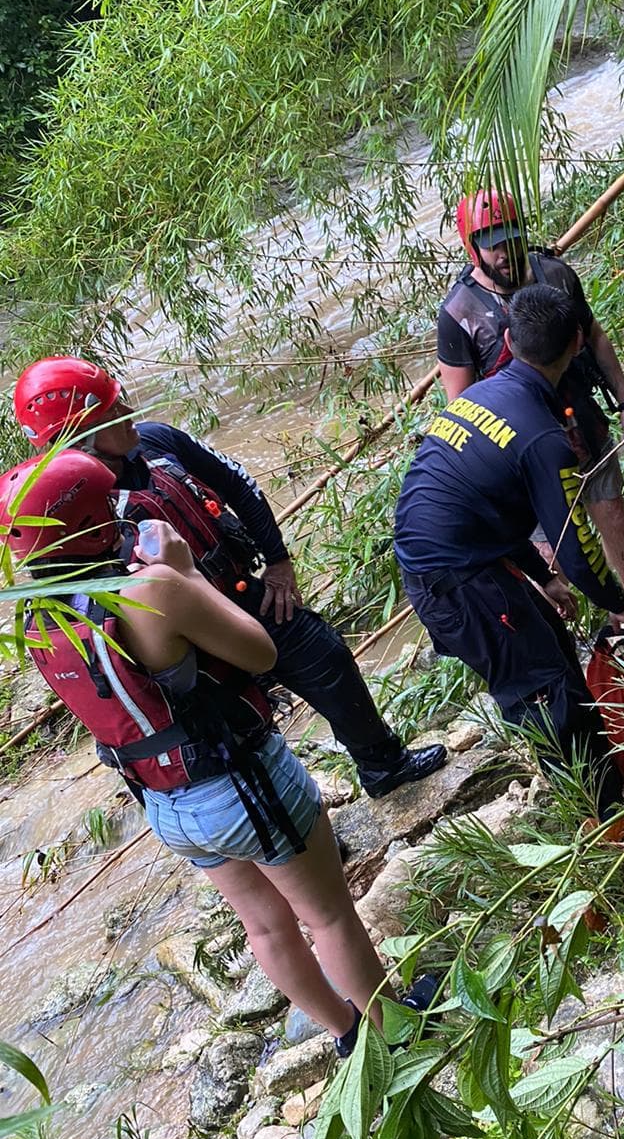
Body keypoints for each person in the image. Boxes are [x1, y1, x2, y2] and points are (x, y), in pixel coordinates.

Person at [0, 452, 430, 1056]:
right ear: (97, 522)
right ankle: (397, 1030)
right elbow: (259, 652)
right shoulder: (150, 588)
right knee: (327, 915)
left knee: (264, 923)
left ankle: (346, 1031)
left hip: (167, 803)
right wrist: (186, 573)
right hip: (241, 784)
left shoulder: (39, 614)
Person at [12, 357, 446, 798]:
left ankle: (382, 764)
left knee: (326, 656)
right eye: (110, 412)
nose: (127, 413)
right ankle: (297, 837)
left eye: (119, 400)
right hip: (182, 645)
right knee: (241, 736)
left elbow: (239, 485)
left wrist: (278, 563)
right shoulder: (65, 505)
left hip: (240, 592)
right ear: (75, 438)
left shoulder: (158, 440)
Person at [397, 284, 624, 816]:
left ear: (509, 340)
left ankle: (604, 791)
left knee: (553, 652)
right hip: (457, 584)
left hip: (459, 560)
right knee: (547, 692)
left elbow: (489, 506)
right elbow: (576, 547)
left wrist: (545, 579)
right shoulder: (543, 438)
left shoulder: (483, 395)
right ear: (578, 342)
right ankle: (599, 818)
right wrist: (621, 607)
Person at [436, 190, 624, 629]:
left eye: (512, 239)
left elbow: (595, 337)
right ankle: (583, 626)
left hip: (582, 423)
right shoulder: (459, 312)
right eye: (492, 244)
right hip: (523, 450)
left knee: (611, 512)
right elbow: (461, 403)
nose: (505, 253)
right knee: (550, 546)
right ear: (471, 245)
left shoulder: (554, 274)